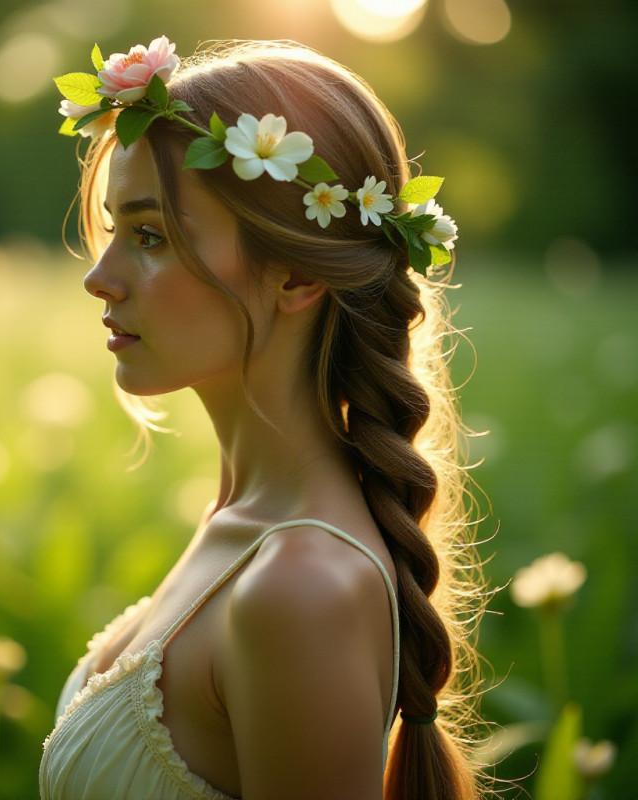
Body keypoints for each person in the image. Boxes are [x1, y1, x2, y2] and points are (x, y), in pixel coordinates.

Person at [40, 37, 485, 800]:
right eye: (115, 229)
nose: (98, 278)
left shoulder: (301, 588)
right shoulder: (240, 523)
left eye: (150, 236)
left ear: (297, 274)